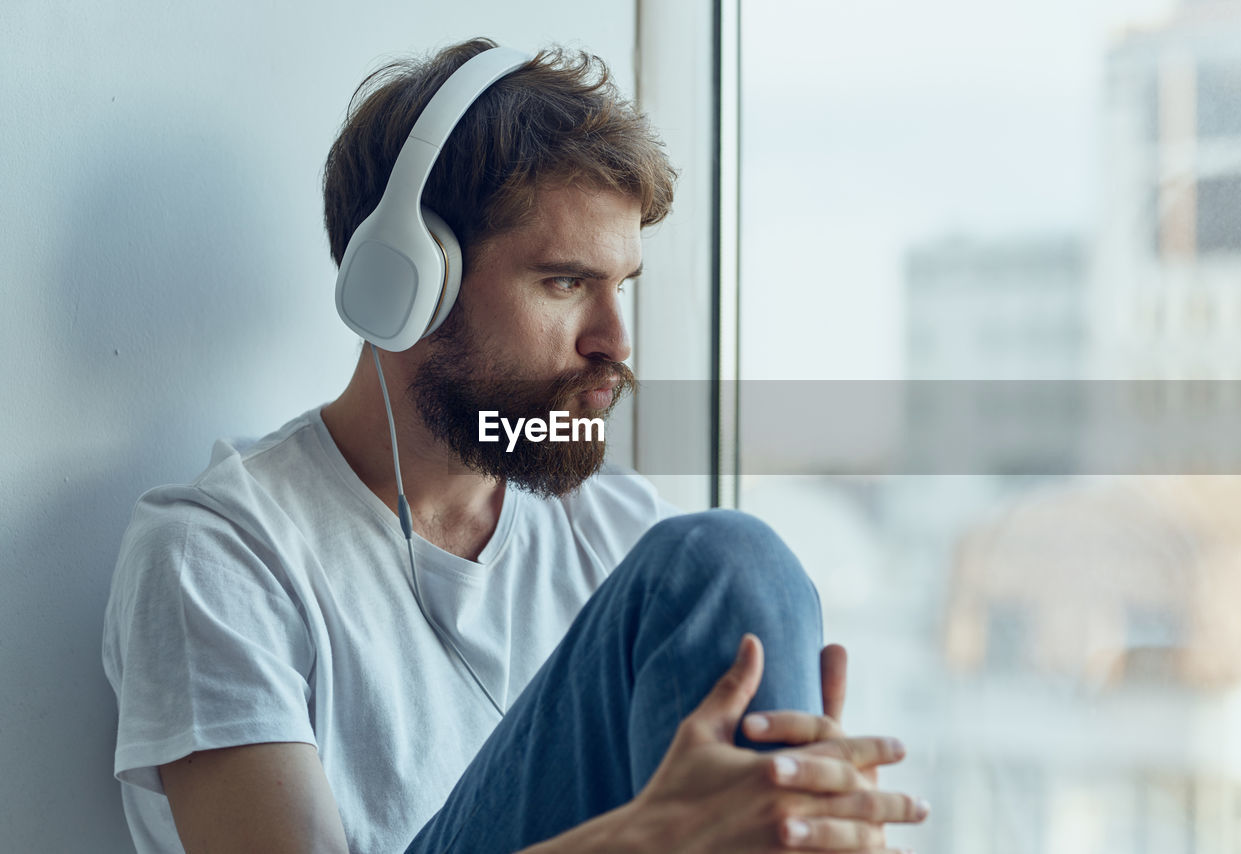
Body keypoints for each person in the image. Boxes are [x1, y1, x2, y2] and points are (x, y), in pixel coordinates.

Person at [102, 38, 928, 853]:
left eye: (622, 287)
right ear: (411, 285)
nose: (615, 341)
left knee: (743, 567)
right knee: (723, 555)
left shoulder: (613, 534)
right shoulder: (220, 554)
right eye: (566, 283)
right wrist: (646, 839)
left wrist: (806, 820)